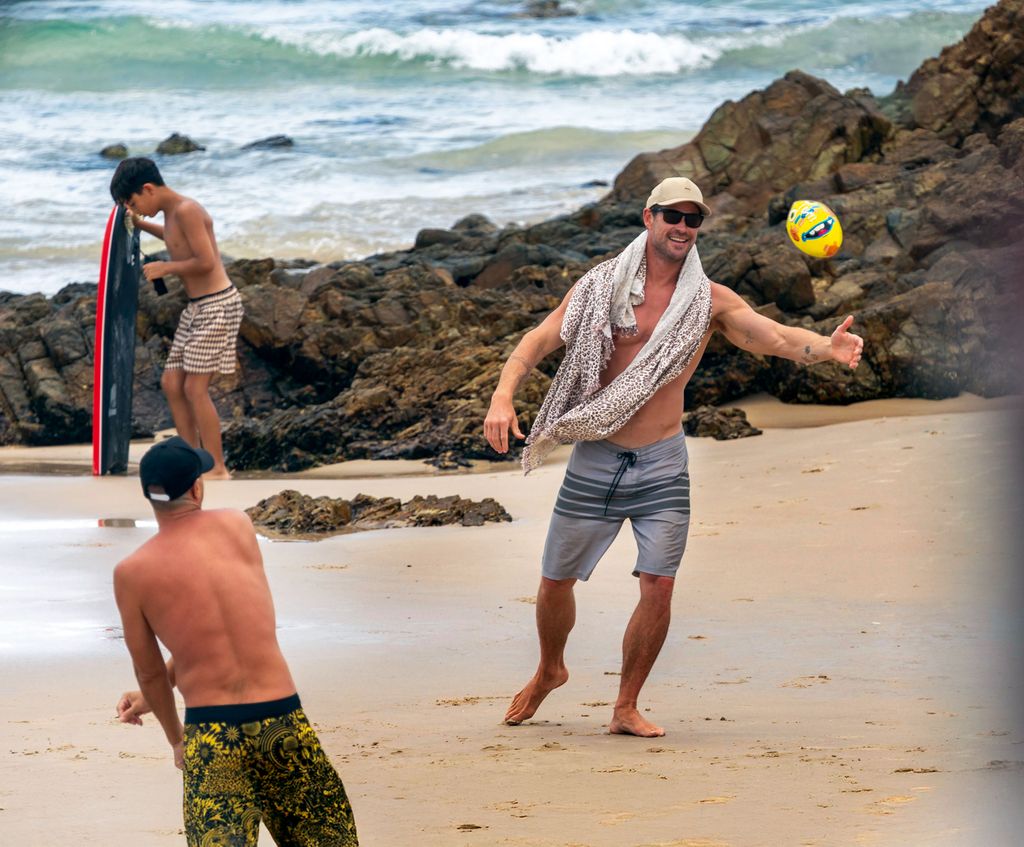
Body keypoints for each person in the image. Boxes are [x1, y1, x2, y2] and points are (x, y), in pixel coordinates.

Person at [484, 177, 864, 738]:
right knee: (555, 581)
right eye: (673, 216)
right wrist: (501, 393)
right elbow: (538, 340)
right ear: (649, 218)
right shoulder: (597, 288)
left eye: (693, 220)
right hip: (597, 455)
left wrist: (825, 350)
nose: (683, 227)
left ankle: (625, 706)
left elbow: (777, 337)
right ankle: (550, 669)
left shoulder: (709, 302)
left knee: (658, 584)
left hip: (663, 461)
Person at [113, 436, 358, 846]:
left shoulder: (131, 573)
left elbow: (150, 670)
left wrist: (177, 740)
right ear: (196, 488)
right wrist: (155, 689)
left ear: (148, 496)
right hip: (281, 722)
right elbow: (237, 628)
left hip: (213, 733)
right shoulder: (235, 525)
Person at [109, 157, 242, 479]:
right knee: (171, 383)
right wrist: (139, 225)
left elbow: (207, 261)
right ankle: (191, 461)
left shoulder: (187, 210)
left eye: (133, 202)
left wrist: (165, 268)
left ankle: (217, 467)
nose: (135, 208)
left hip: (217, 306)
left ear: (148, 188)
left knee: (195, 388)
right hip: (198, 308)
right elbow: (175, 241)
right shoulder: (172, 214)